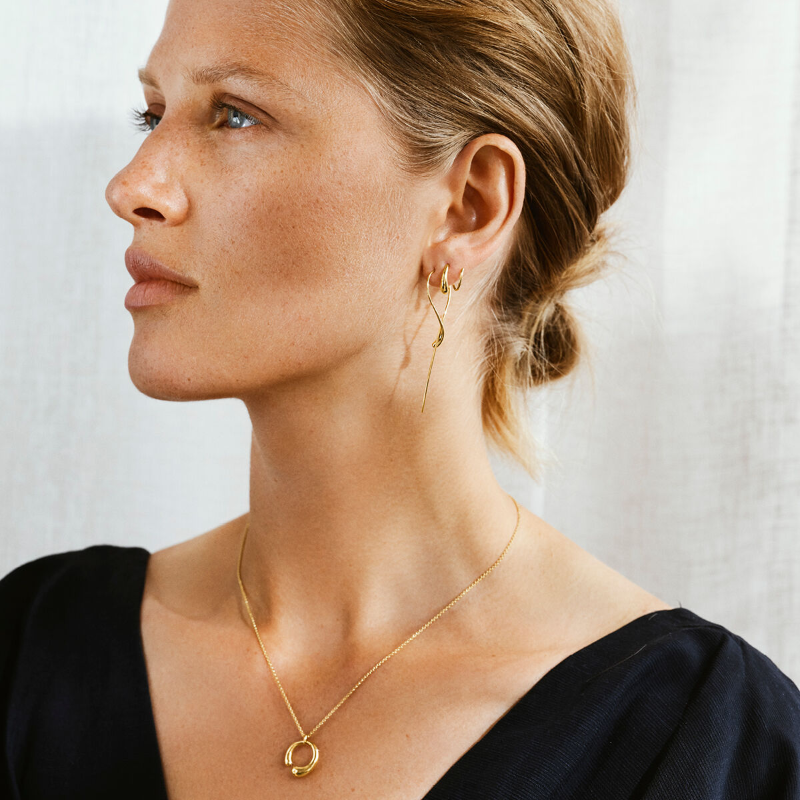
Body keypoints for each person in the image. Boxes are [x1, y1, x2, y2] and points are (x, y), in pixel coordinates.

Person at [2, 0, 799, 797]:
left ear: (470, 204)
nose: (131, 187)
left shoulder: (712, 747)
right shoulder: (32, 655)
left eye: (235, 115)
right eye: (152, 115)